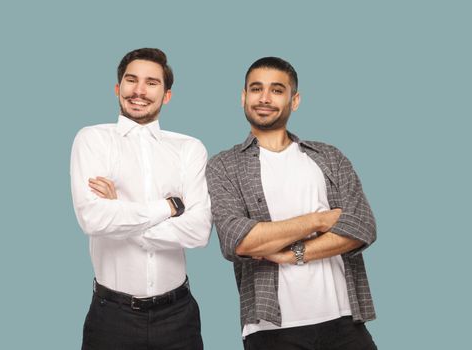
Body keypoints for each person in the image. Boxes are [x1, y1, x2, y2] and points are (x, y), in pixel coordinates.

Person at [206, 56, 378, 349]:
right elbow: (239, 242)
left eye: (276, 90)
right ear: (243, 97)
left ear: (294, 100)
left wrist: (293, 253)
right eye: (256, 88)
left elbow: (362, 227)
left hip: (344, 320)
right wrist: (319, 220)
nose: (264, 98)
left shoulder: (328, 156)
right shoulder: (224, 165)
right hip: (270, 327)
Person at [70, 48, 211, 350]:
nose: (139, 90)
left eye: (151, 82)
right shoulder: (92, 139)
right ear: (117, 88)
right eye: (131, 80)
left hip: (179, 316)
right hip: (112, 317)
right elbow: (93, 219)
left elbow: (199, 231)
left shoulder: (189, 148)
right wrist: (170, 207)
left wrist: (118, 209)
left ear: (167, 95)